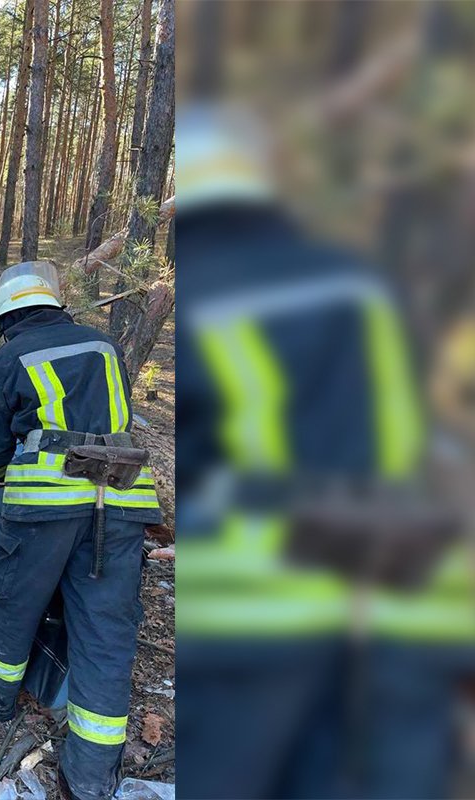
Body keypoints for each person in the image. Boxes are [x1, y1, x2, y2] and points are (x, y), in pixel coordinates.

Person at [175, 104, 474, 798]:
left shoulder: (208, 290)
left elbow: (199, 455)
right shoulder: (357, 281)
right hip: (390, 580)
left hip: (253, 592)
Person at [0, 262, 162, 800]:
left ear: (5, 318)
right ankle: (91, 776)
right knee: (106, 634)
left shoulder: (6, 359)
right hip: (119, 506)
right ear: (54, 305)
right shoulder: (103, 347)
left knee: (12, 606)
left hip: (45, 509)